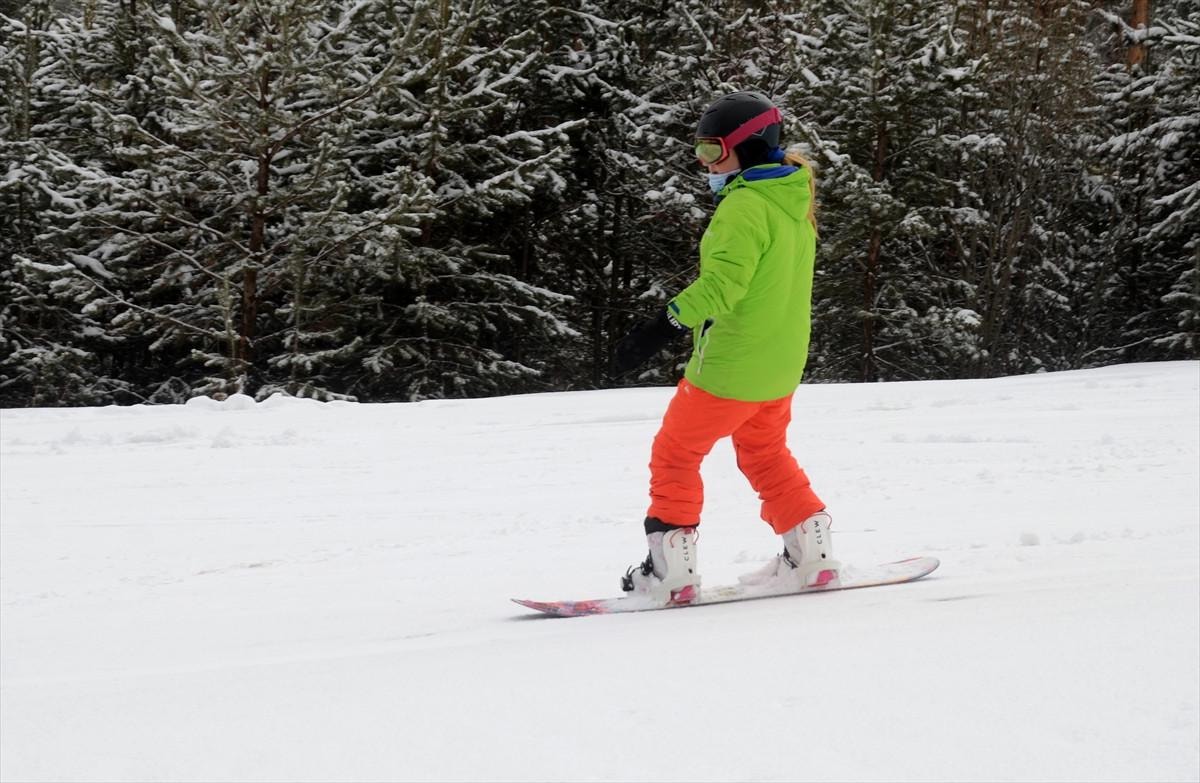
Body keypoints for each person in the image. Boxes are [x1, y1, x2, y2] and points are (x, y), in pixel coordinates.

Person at [613, 90, 837, 605]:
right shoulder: (793, 200)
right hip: (780, 366)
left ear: (750, 146)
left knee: (675, 454)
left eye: (713, 150)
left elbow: (721, 287)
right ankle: (812, 553)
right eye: (699, 150)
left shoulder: (743, 206)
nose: (705, 163)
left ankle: (670, 572)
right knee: (765, 453)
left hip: (730, 368)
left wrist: (659, 327)